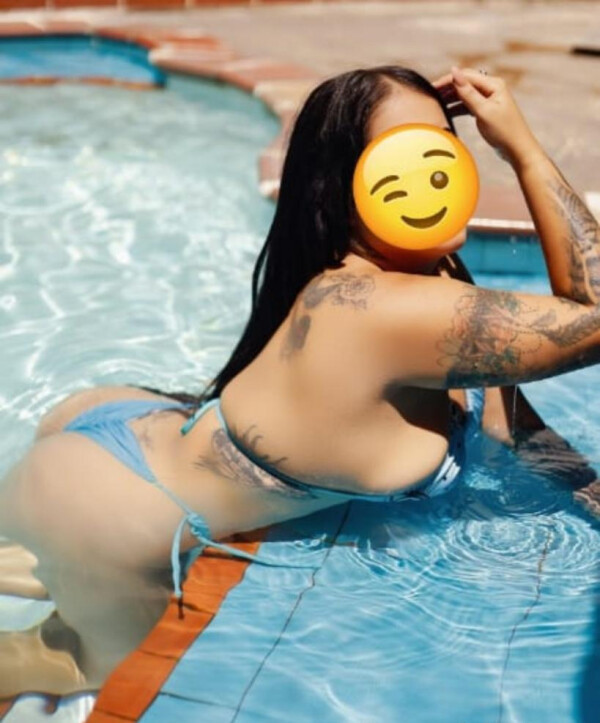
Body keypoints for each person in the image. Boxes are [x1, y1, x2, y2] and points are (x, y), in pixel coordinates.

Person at [1, 64, 599, 699]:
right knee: (91, 673)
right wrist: (522, 149)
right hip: (107, 511)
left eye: (443, 149)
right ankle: (53, 571)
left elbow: (516, 428)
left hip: (133, 436)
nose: (434, 178)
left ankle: (44, 565)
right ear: (343, 188)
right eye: (401, 159)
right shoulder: (370, 308)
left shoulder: (436, 279)